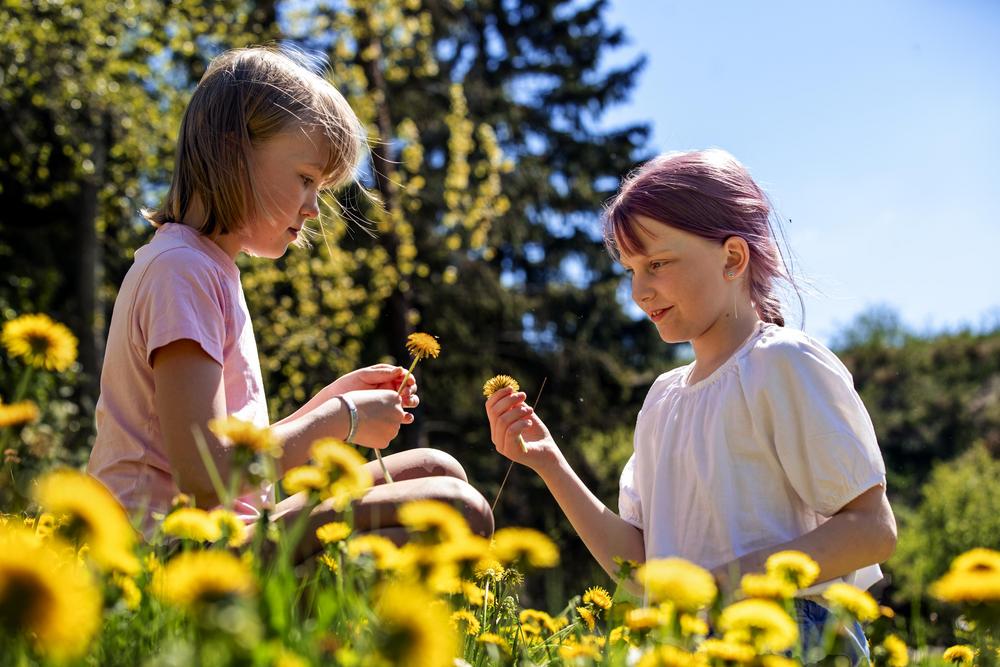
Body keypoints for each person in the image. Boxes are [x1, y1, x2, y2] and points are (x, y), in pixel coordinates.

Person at [485, 149, 895, 665]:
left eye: (657, 264)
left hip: (788, 635)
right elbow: (640, 572)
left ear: (732, 258)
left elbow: (872, 529)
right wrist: (549, 463)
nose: (639, 291)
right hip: (684, 644)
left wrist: (721, 588)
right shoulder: (663, 399)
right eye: (630, 270)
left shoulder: (782, 362)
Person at [88, 46, 493, 556]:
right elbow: (206, 475)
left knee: (436, 469)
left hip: (224, 533)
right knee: (458, 508)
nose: (312, 208)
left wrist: (329, 403)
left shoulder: (205, 267)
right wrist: (341, 417)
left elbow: (224, 455)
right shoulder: (181, 271)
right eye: (305, 179)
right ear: (233, 152)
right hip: (164, 555)